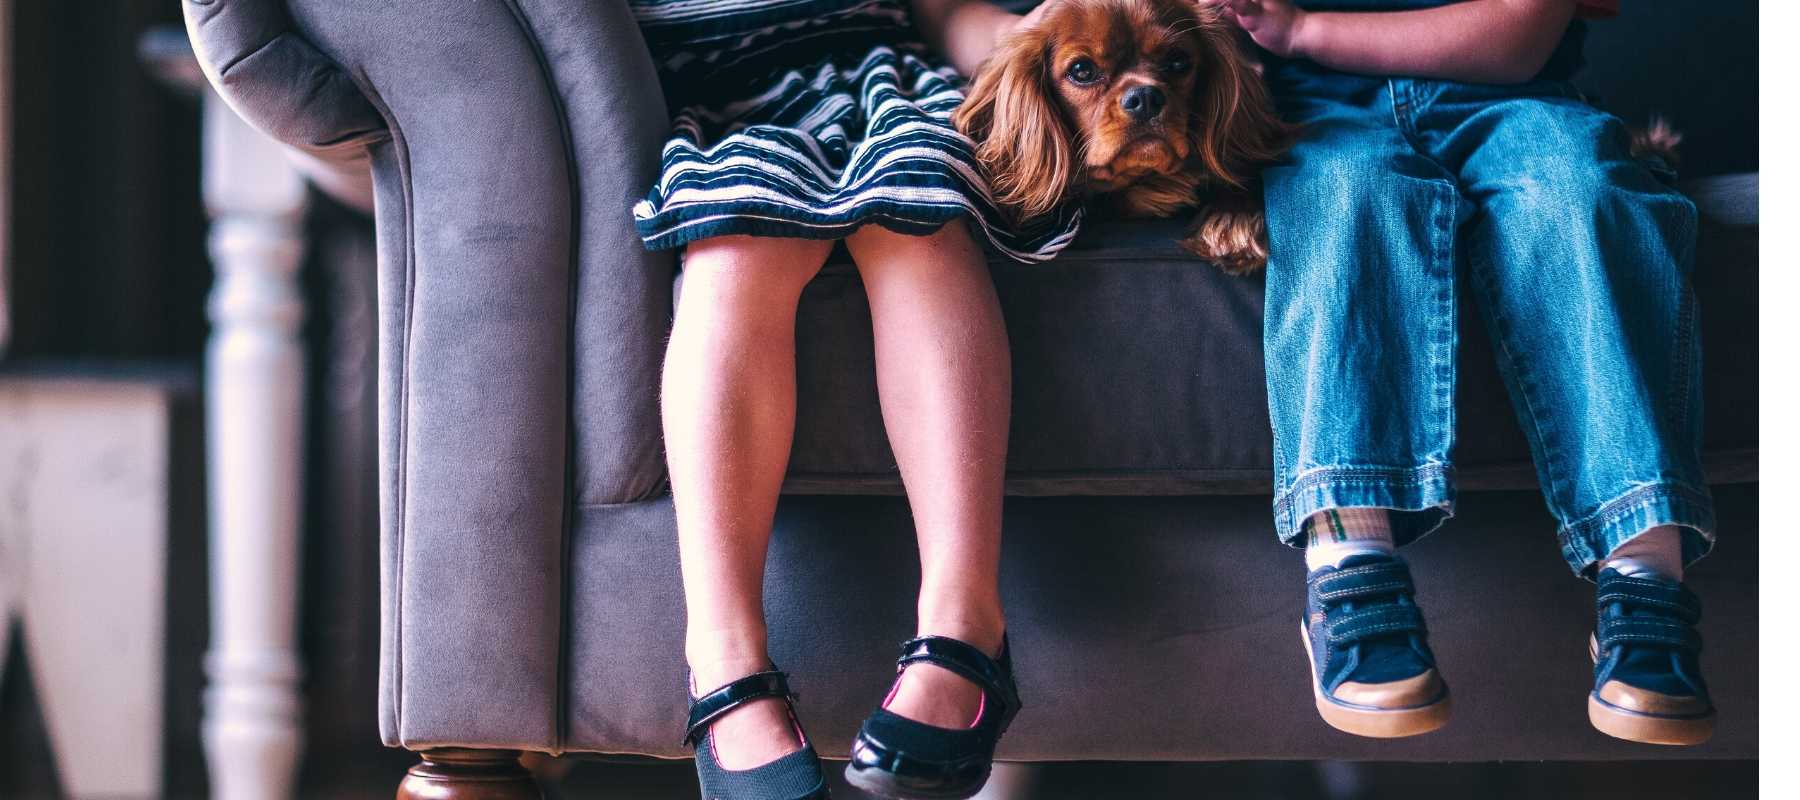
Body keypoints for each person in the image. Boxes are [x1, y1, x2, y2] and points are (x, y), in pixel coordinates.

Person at [1208, 0, 1717, 745]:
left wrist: (1302, 33)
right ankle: (1350, 557)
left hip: (1517, 99)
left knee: (1584, 199)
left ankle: (1643, 571)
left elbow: (1516, 36)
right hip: (1312, 114)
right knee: (1346, 198)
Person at [626, 0, 1065, 796]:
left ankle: (962, 623)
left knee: (918, 218)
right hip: (725, 100)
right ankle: (724, 657)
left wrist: (1036, 42)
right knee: (733, 245)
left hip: (885, 81)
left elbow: (943, 10)